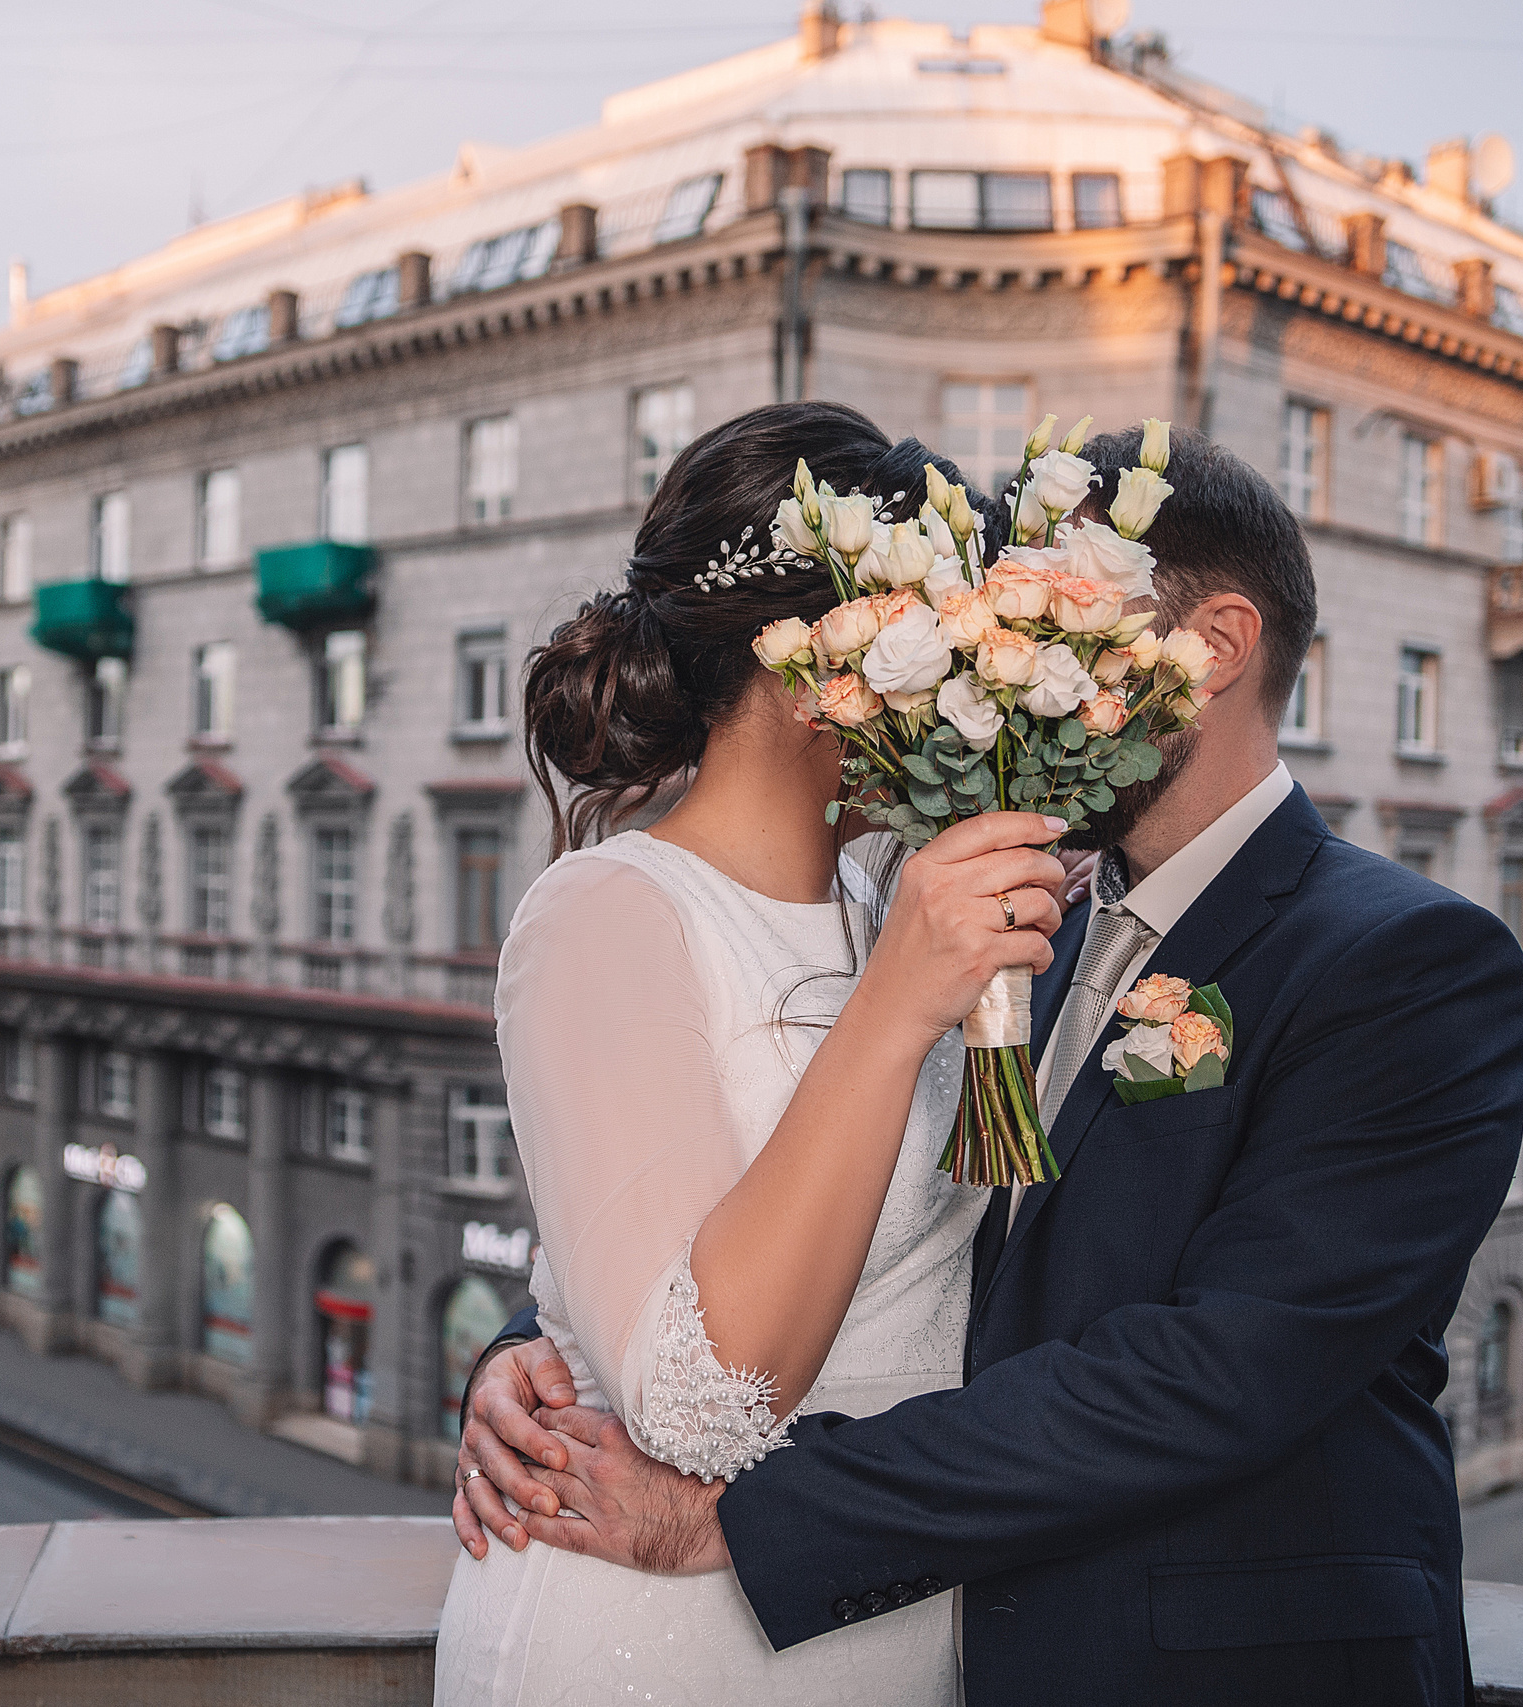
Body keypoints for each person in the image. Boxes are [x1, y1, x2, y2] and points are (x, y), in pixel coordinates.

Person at [456, 424, 1523, 1706]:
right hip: (900, 1638)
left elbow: (1211, 1378)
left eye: (1055, 625)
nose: (1010, 676)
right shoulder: (1005, 915)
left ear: (1218, 644)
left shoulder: (1406, 961)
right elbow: (781, 1200)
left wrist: (738, 1520)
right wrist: (547, 1347)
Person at [432, 402, 1076, 1705]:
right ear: (813, 666)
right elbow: (693, 1401)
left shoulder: (905, 895)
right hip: (660, 1643)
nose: (974, 686)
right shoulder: (609, 910)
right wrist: (894, 1006)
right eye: (940, 640)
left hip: (891, 1620)